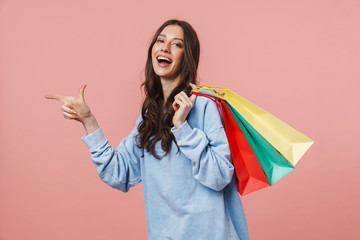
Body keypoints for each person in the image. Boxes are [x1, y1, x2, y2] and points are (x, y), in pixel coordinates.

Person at [46, 19, 249, 240]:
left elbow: (220, 177)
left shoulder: (204, 105)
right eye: (160, 41)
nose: (164, 47)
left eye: (176, 44)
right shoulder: (150, 117)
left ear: (187, 57)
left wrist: (183, 127)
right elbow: (119, 174)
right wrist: (88, 121)